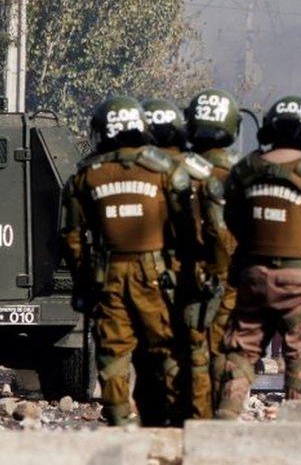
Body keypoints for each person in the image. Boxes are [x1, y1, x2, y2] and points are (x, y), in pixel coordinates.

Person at [215, 96, 301, 418]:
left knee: (241, 348)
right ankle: (300, 422)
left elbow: (231, 216)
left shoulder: (247, 167)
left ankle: (223, 419)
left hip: (253, 273)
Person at [61, 96, 195, 426]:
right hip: (156, 274)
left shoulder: (86, 175)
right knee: (165, 347)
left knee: (113, 351)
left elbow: (71, 237)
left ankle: (119, 422)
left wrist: (83, 280)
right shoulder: (166, 170)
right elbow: (188, 229)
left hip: (108, 273)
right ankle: (173, 420)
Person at [142, 98, 224, 420]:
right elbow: (215, 226)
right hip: (185, 271)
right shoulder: (195, 168)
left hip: (145, 271)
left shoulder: (126, 167)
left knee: (148, 352)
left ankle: (155, 421)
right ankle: (196, 420)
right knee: (194, 350)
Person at [183, 88, 241, 406]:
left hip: (176, 274)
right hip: (222, 277)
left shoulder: (171, 169)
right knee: (219, 348)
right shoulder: (237, 175)